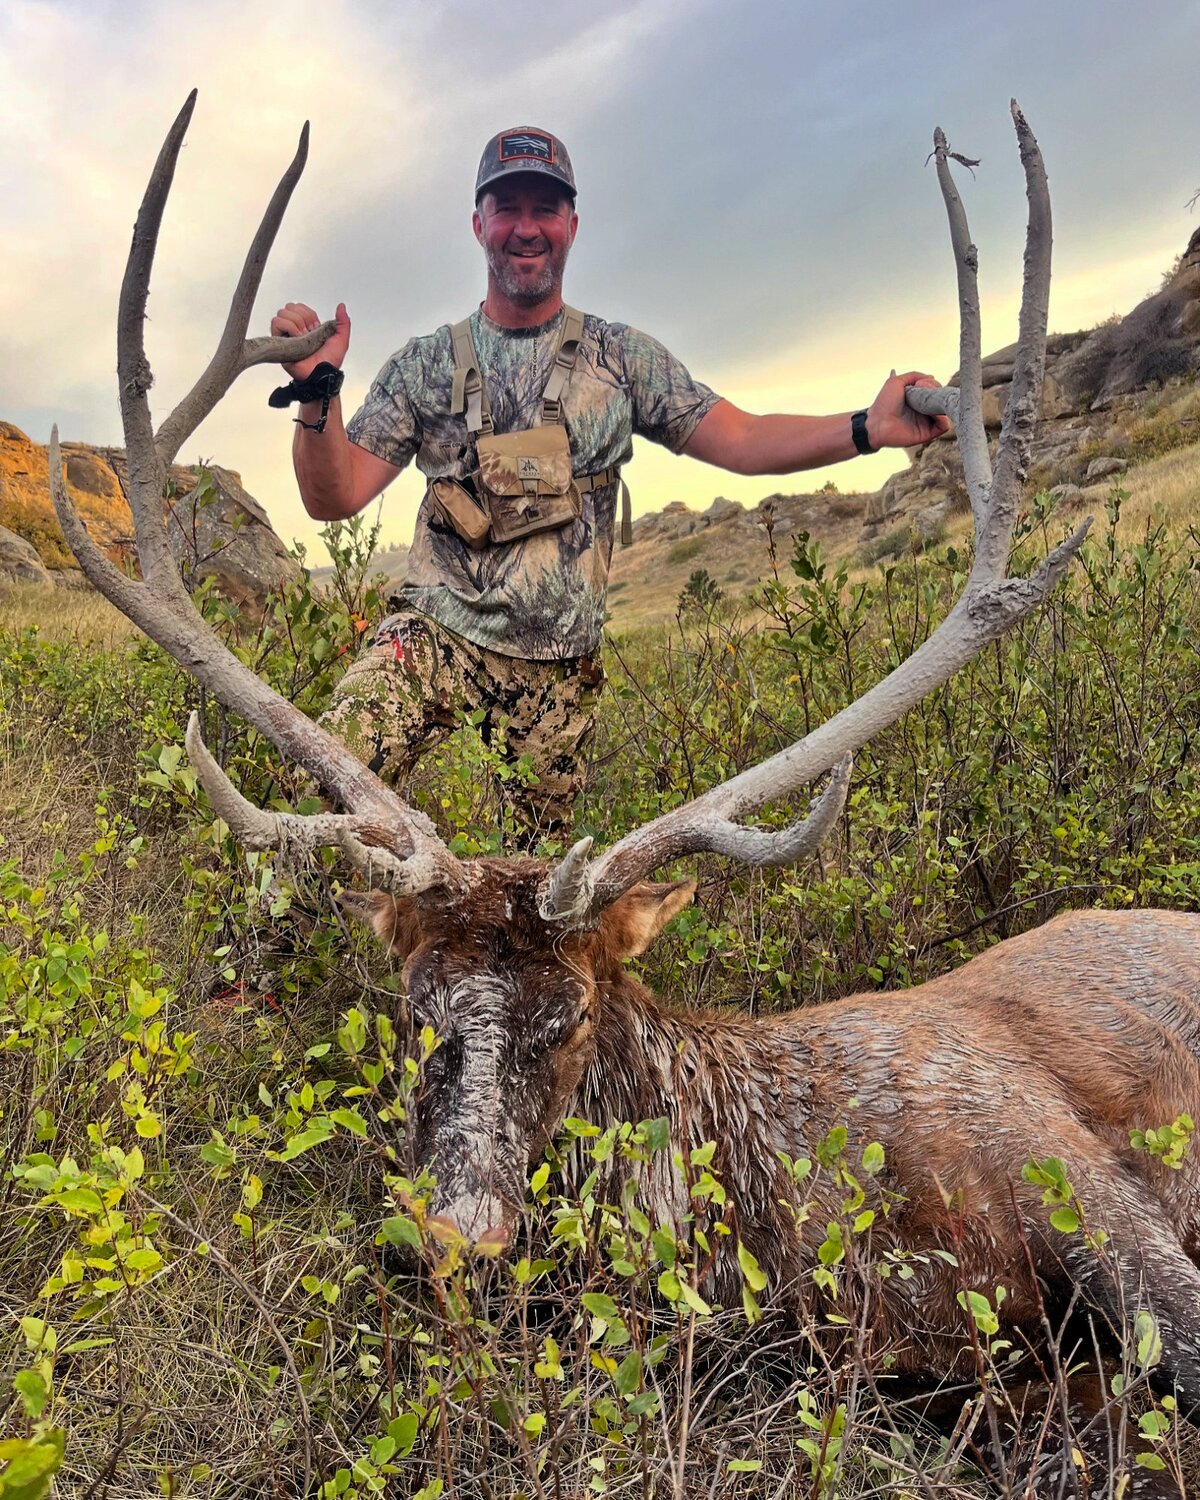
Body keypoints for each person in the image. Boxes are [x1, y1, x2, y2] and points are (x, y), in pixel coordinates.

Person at [269, 126, 949, 836]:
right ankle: (274, 943)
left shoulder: (621, 360)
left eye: (545, 209)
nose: (525, 229)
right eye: (507, 209)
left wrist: (867, 428)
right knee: (316, 791)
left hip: (559, 680)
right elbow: (333, 496)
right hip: (433, 643)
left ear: (572, 225)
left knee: (531, 901)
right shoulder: (424, 366)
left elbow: (742, 439)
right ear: (478, 225)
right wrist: (319, 391)